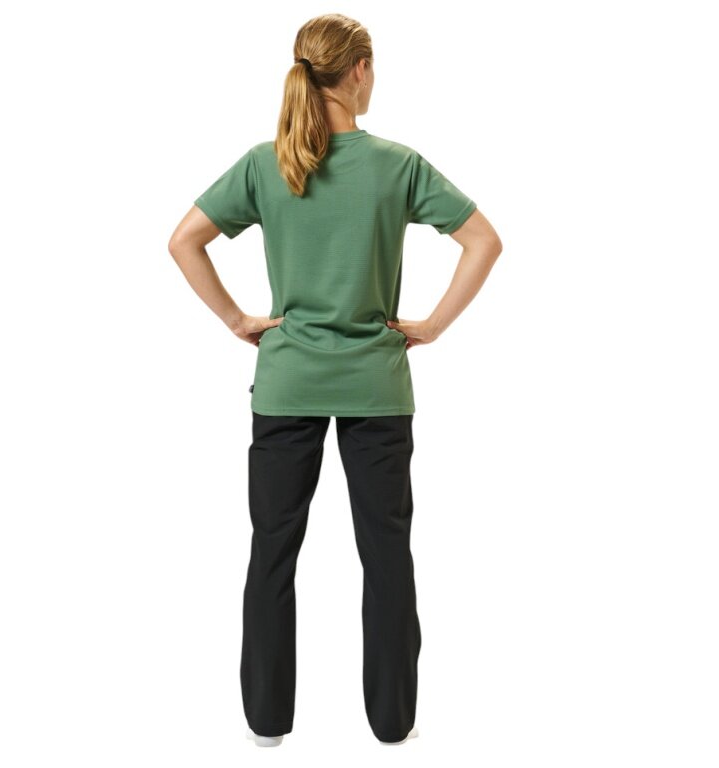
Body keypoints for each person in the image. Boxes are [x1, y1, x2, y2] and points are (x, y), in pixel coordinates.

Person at [168, 13, 503, 748]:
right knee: (386, 557)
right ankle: (393, 725)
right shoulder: (397, 165)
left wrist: (237, 320)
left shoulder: (266, 164)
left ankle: (266, 725)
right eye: (372, 69)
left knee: (272, 554)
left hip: (286, 383)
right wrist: (432, 325)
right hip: (377, 386)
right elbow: (484, 240)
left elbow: (184, 239)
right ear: (358, 71)